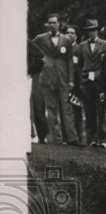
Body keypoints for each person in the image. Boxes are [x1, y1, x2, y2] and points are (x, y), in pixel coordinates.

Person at [31, 13, 78, 145]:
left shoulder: (66, 40)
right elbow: (30, 46)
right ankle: (56, 139)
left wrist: (71, 79)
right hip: (47, 77)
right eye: (50, 23)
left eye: (54, 22)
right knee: (51, 109)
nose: (52, 25)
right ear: (47, 24)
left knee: (66, 108)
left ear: (59, 24)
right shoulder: (40, 38)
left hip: (63, 78)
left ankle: (72, 138)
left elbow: (69, 61)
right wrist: (38, 63)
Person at [76, 19, 106, 148]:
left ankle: (104, 140)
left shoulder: (105, 45)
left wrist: (100, 77)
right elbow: (79, 64)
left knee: (102, 111)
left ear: (97, 31)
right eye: (89, 31)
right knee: (89, 111)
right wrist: (83, 77)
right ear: (87, 32)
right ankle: (92, 139)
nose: (91, 33)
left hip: (99, 82)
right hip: (86, 83)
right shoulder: (82, 45)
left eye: (94, 30)